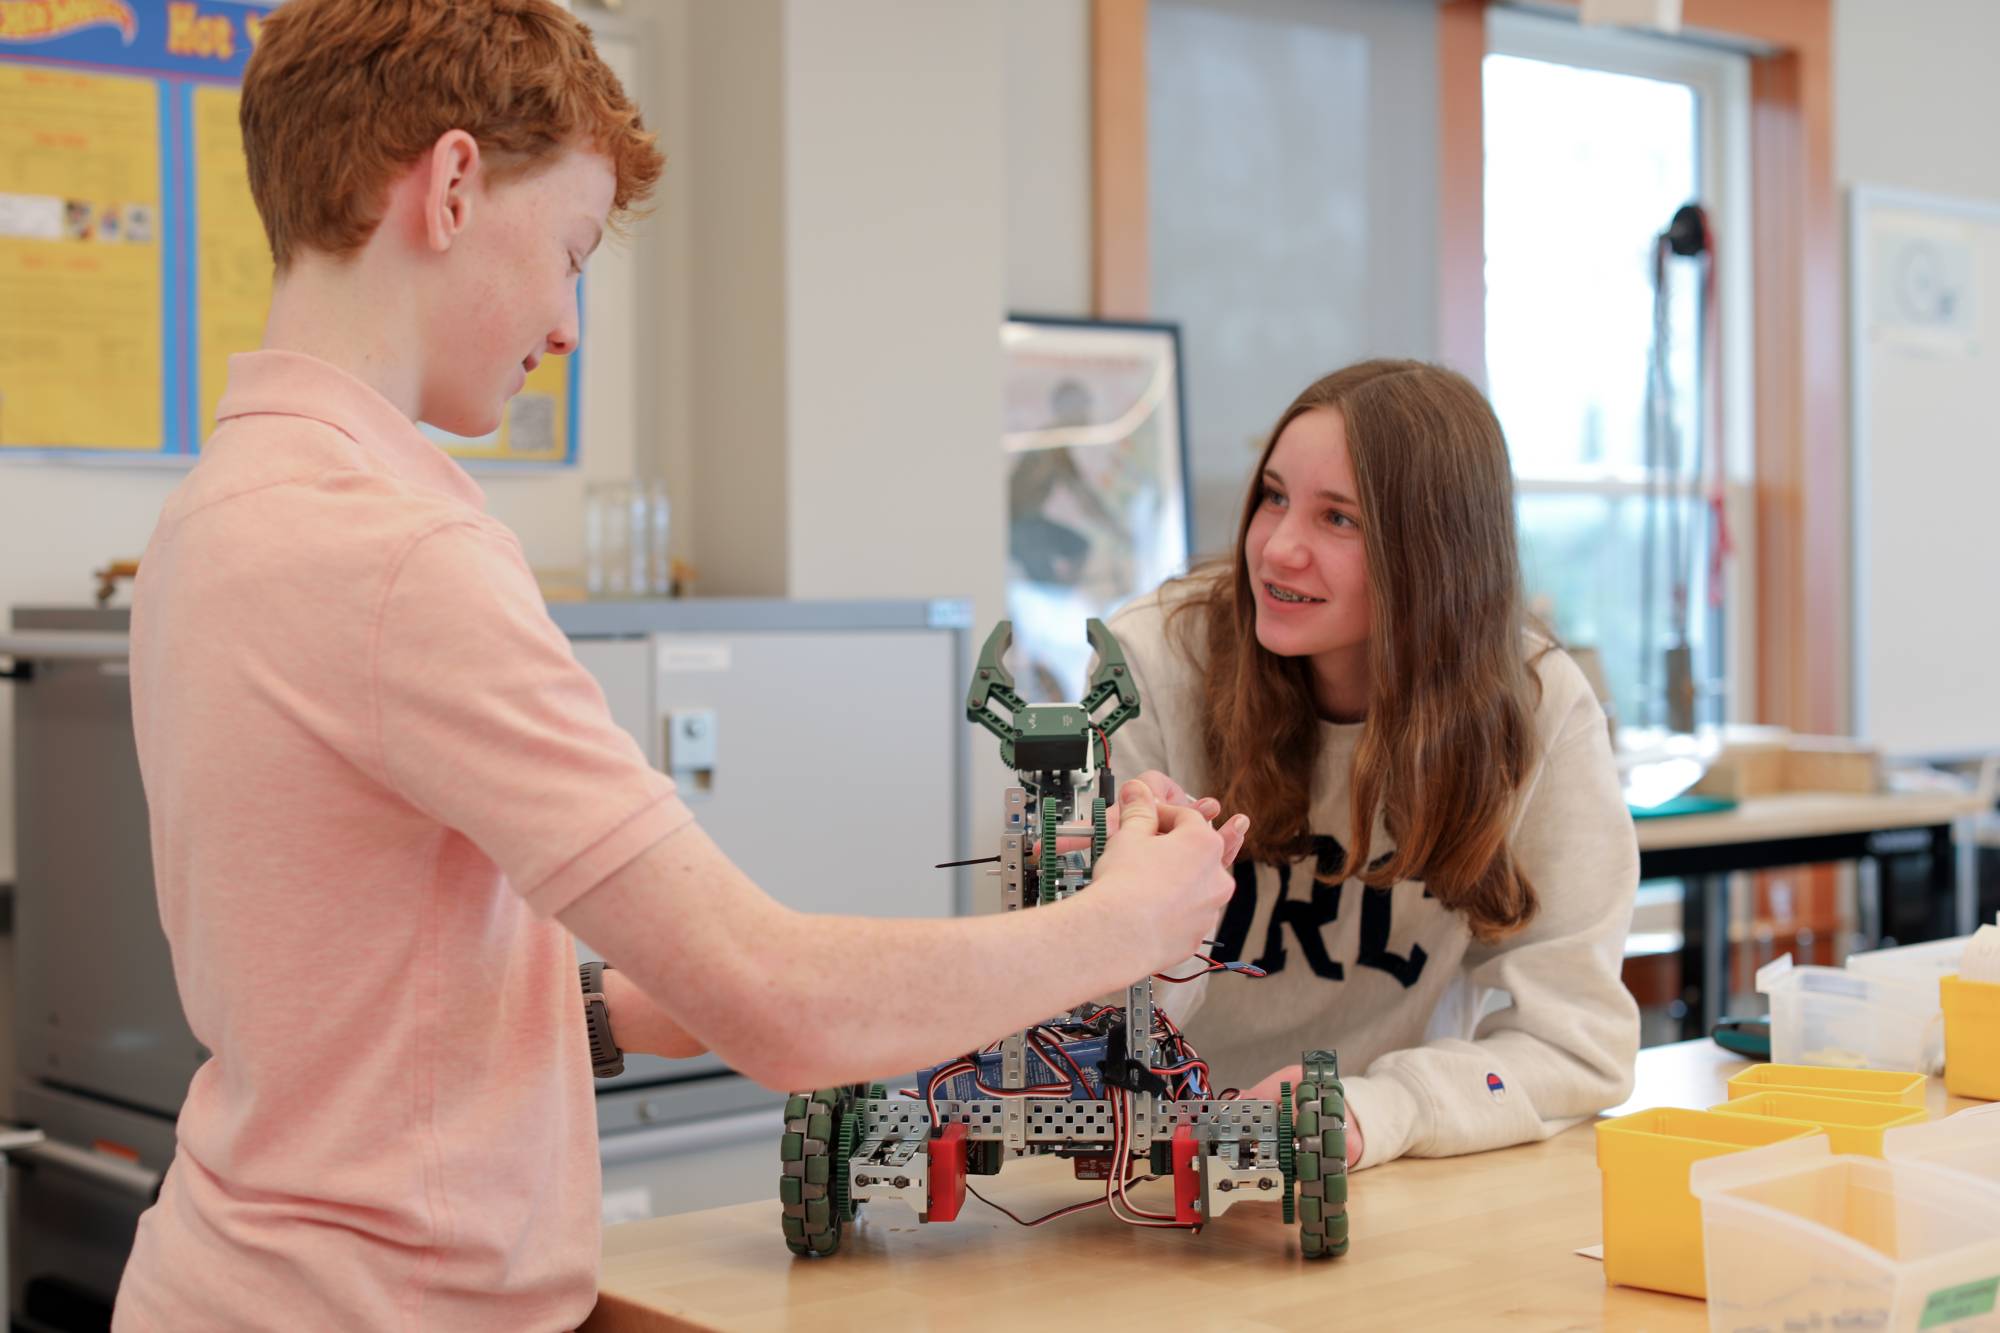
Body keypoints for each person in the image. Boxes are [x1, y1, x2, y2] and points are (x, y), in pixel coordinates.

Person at [114, 3, 1243, 1328]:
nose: (567, 322)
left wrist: (604, 1010)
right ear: (457, 185)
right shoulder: (401, 554)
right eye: (572, 252)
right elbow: (781, 1009)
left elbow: (338, 974)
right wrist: (1129, 921)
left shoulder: (220, 509)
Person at [1108, 359, 1639, 1172]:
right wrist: (1146, 919)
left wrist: (1372, 1110)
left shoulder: (1535, 708)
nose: (1279, 548)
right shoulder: (1153, 663)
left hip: (1389, 1171)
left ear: (1436, 553)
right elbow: (1093, 1007)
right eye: (1275, 498)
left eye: (1339, 519)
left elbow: (1579, 1045)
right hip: (1144, 1166)